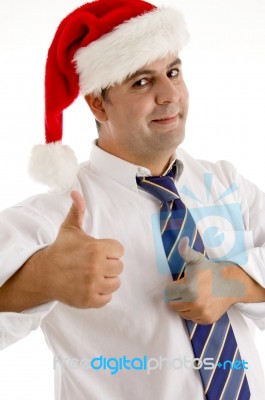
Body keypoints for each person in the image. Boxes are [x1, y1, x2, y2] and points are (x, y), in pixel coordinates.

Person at [0, 0, 265, 398]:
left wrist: (236, 282)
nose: (170, 94)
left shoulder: (225, 182)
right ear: (96, 103)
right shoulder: (57, 215)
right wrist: (39, 279)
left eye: (173, 72)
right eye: (141, 82)